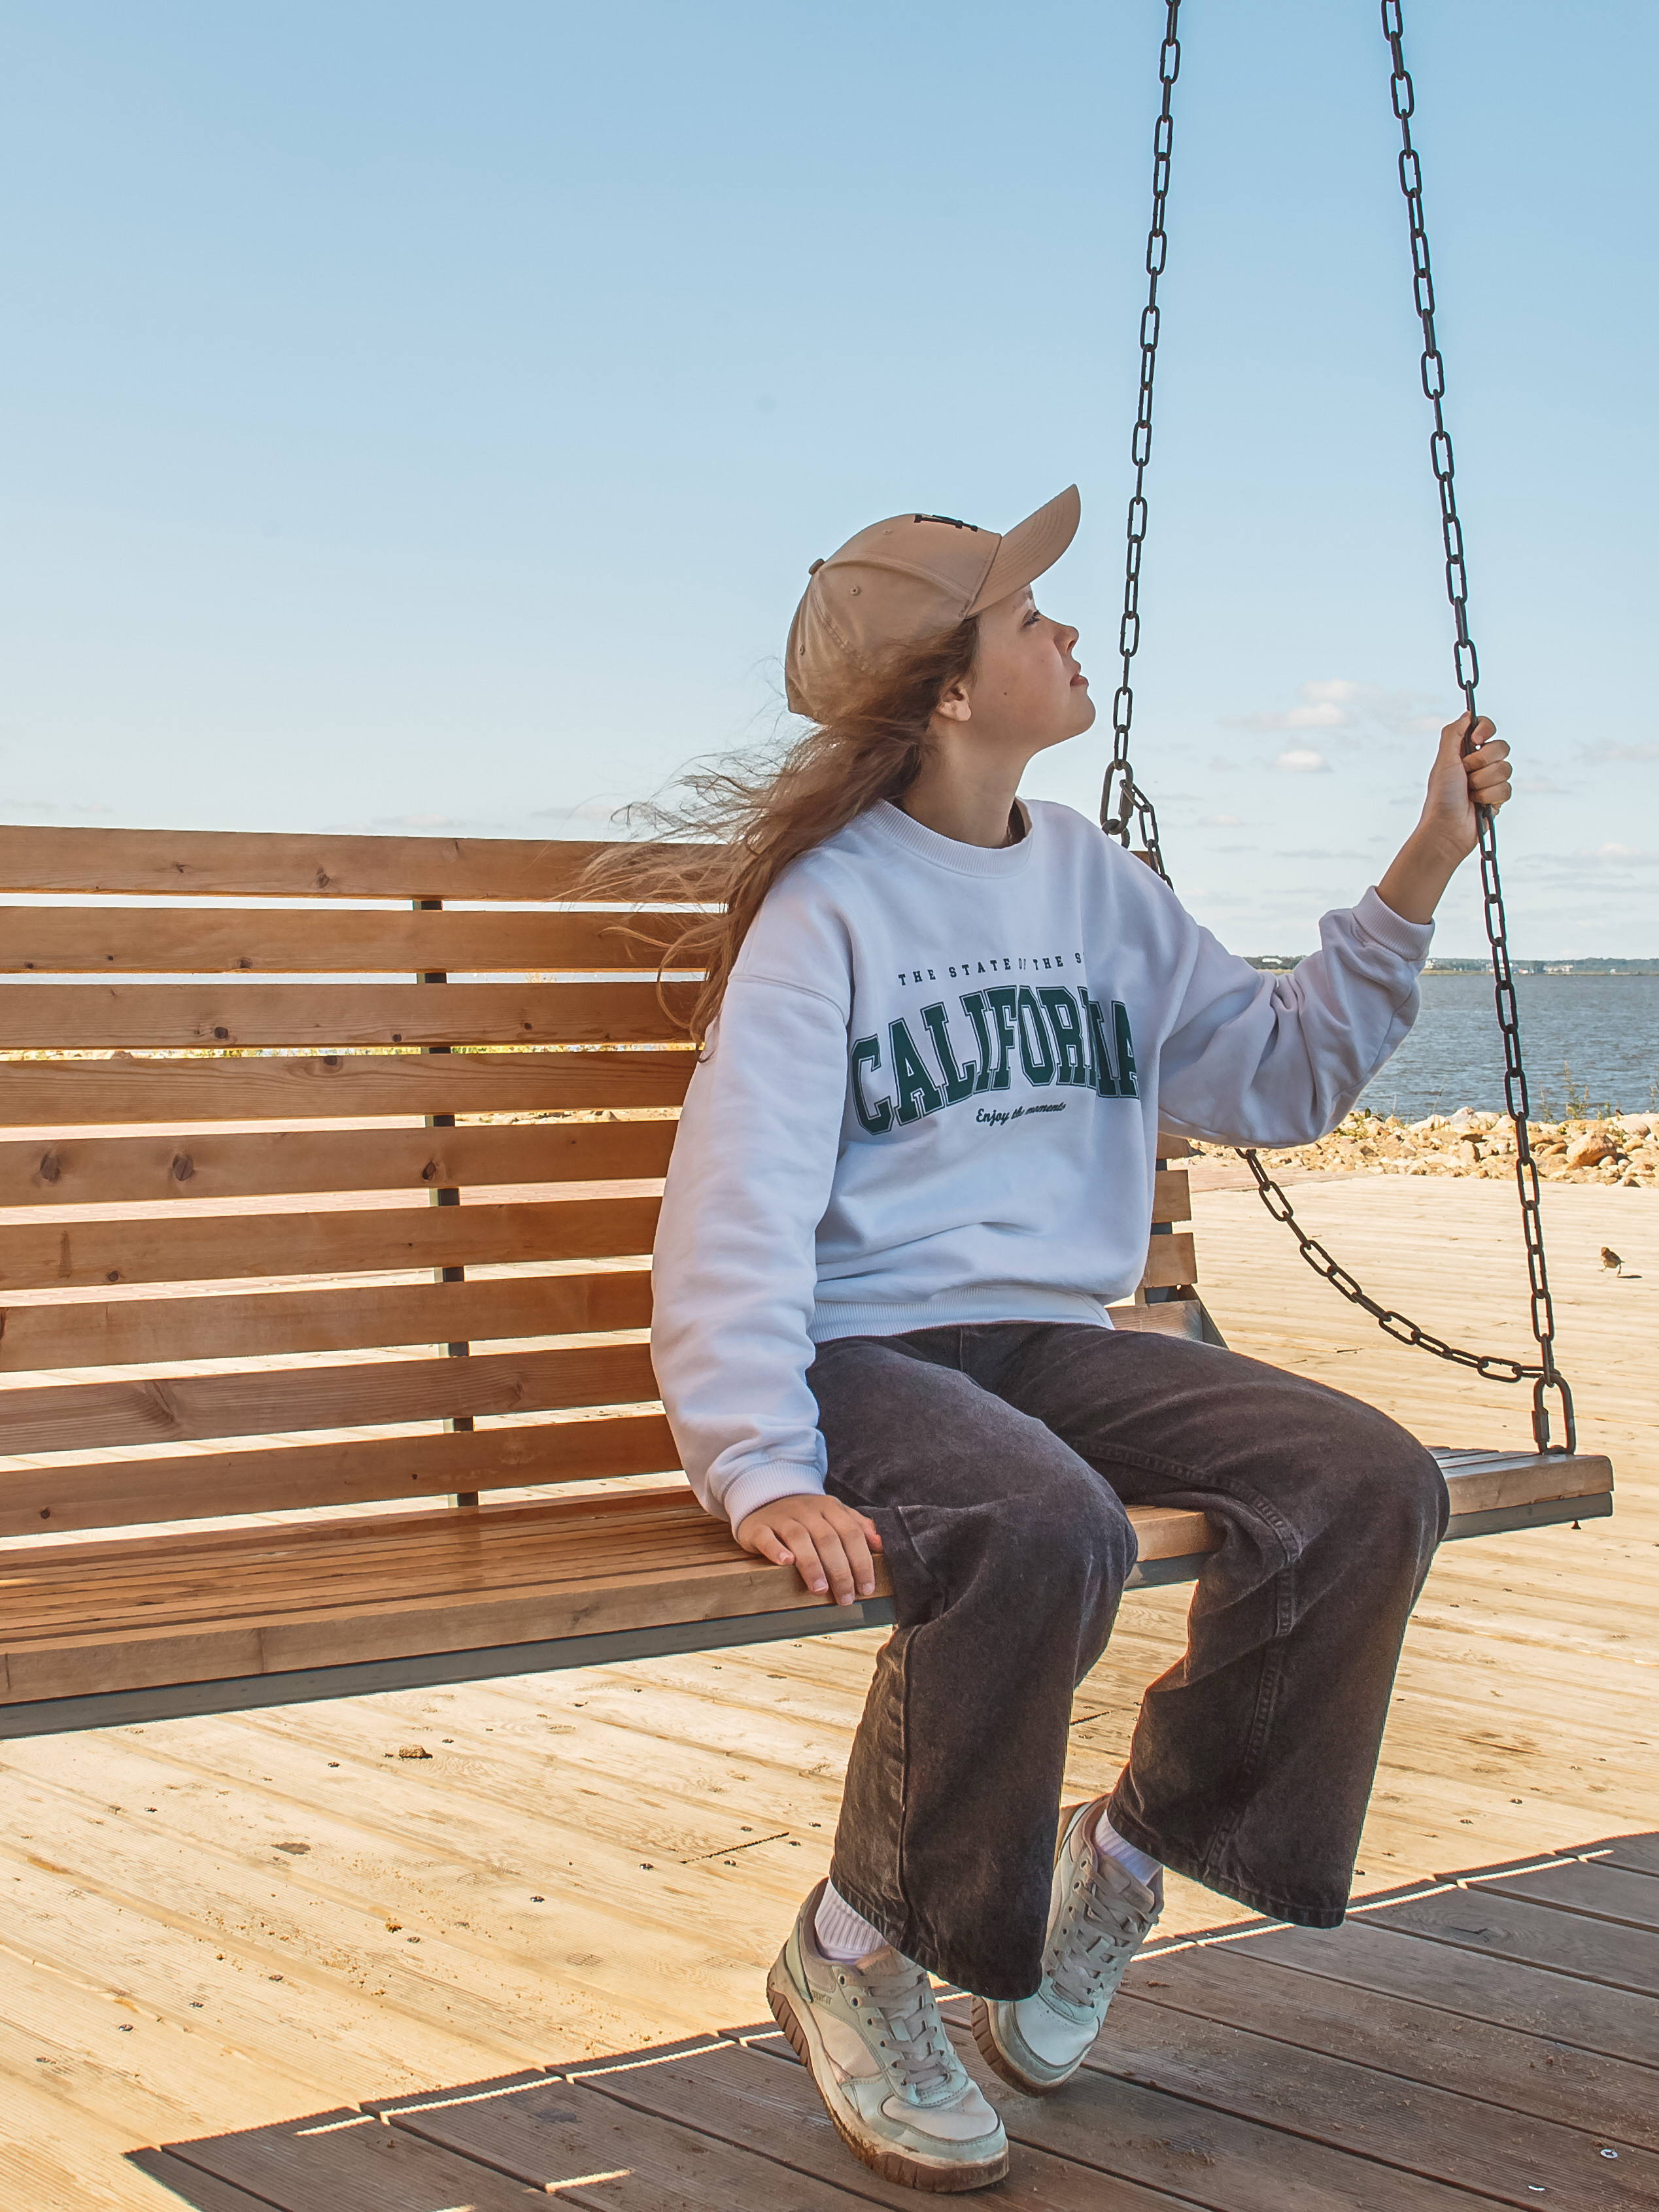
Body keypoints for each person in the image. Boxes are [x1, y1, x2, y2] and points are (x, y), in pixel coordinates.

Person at [628, 486, 1511, 2192]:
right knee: (1045, 1527)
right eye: (1028, 616)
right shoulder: (830, 910)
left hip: (1046, 1341)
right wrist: (755, 1461)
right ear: (952, 690)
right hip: (865, 1353)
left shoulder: (1095, 886)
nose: (1065, 629)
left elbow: (1276, 1072)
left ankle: (1126, 1852)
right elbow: (734, 1201)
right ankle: (853, 1949)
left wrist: (1424, 859)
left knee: (1366, 1483)